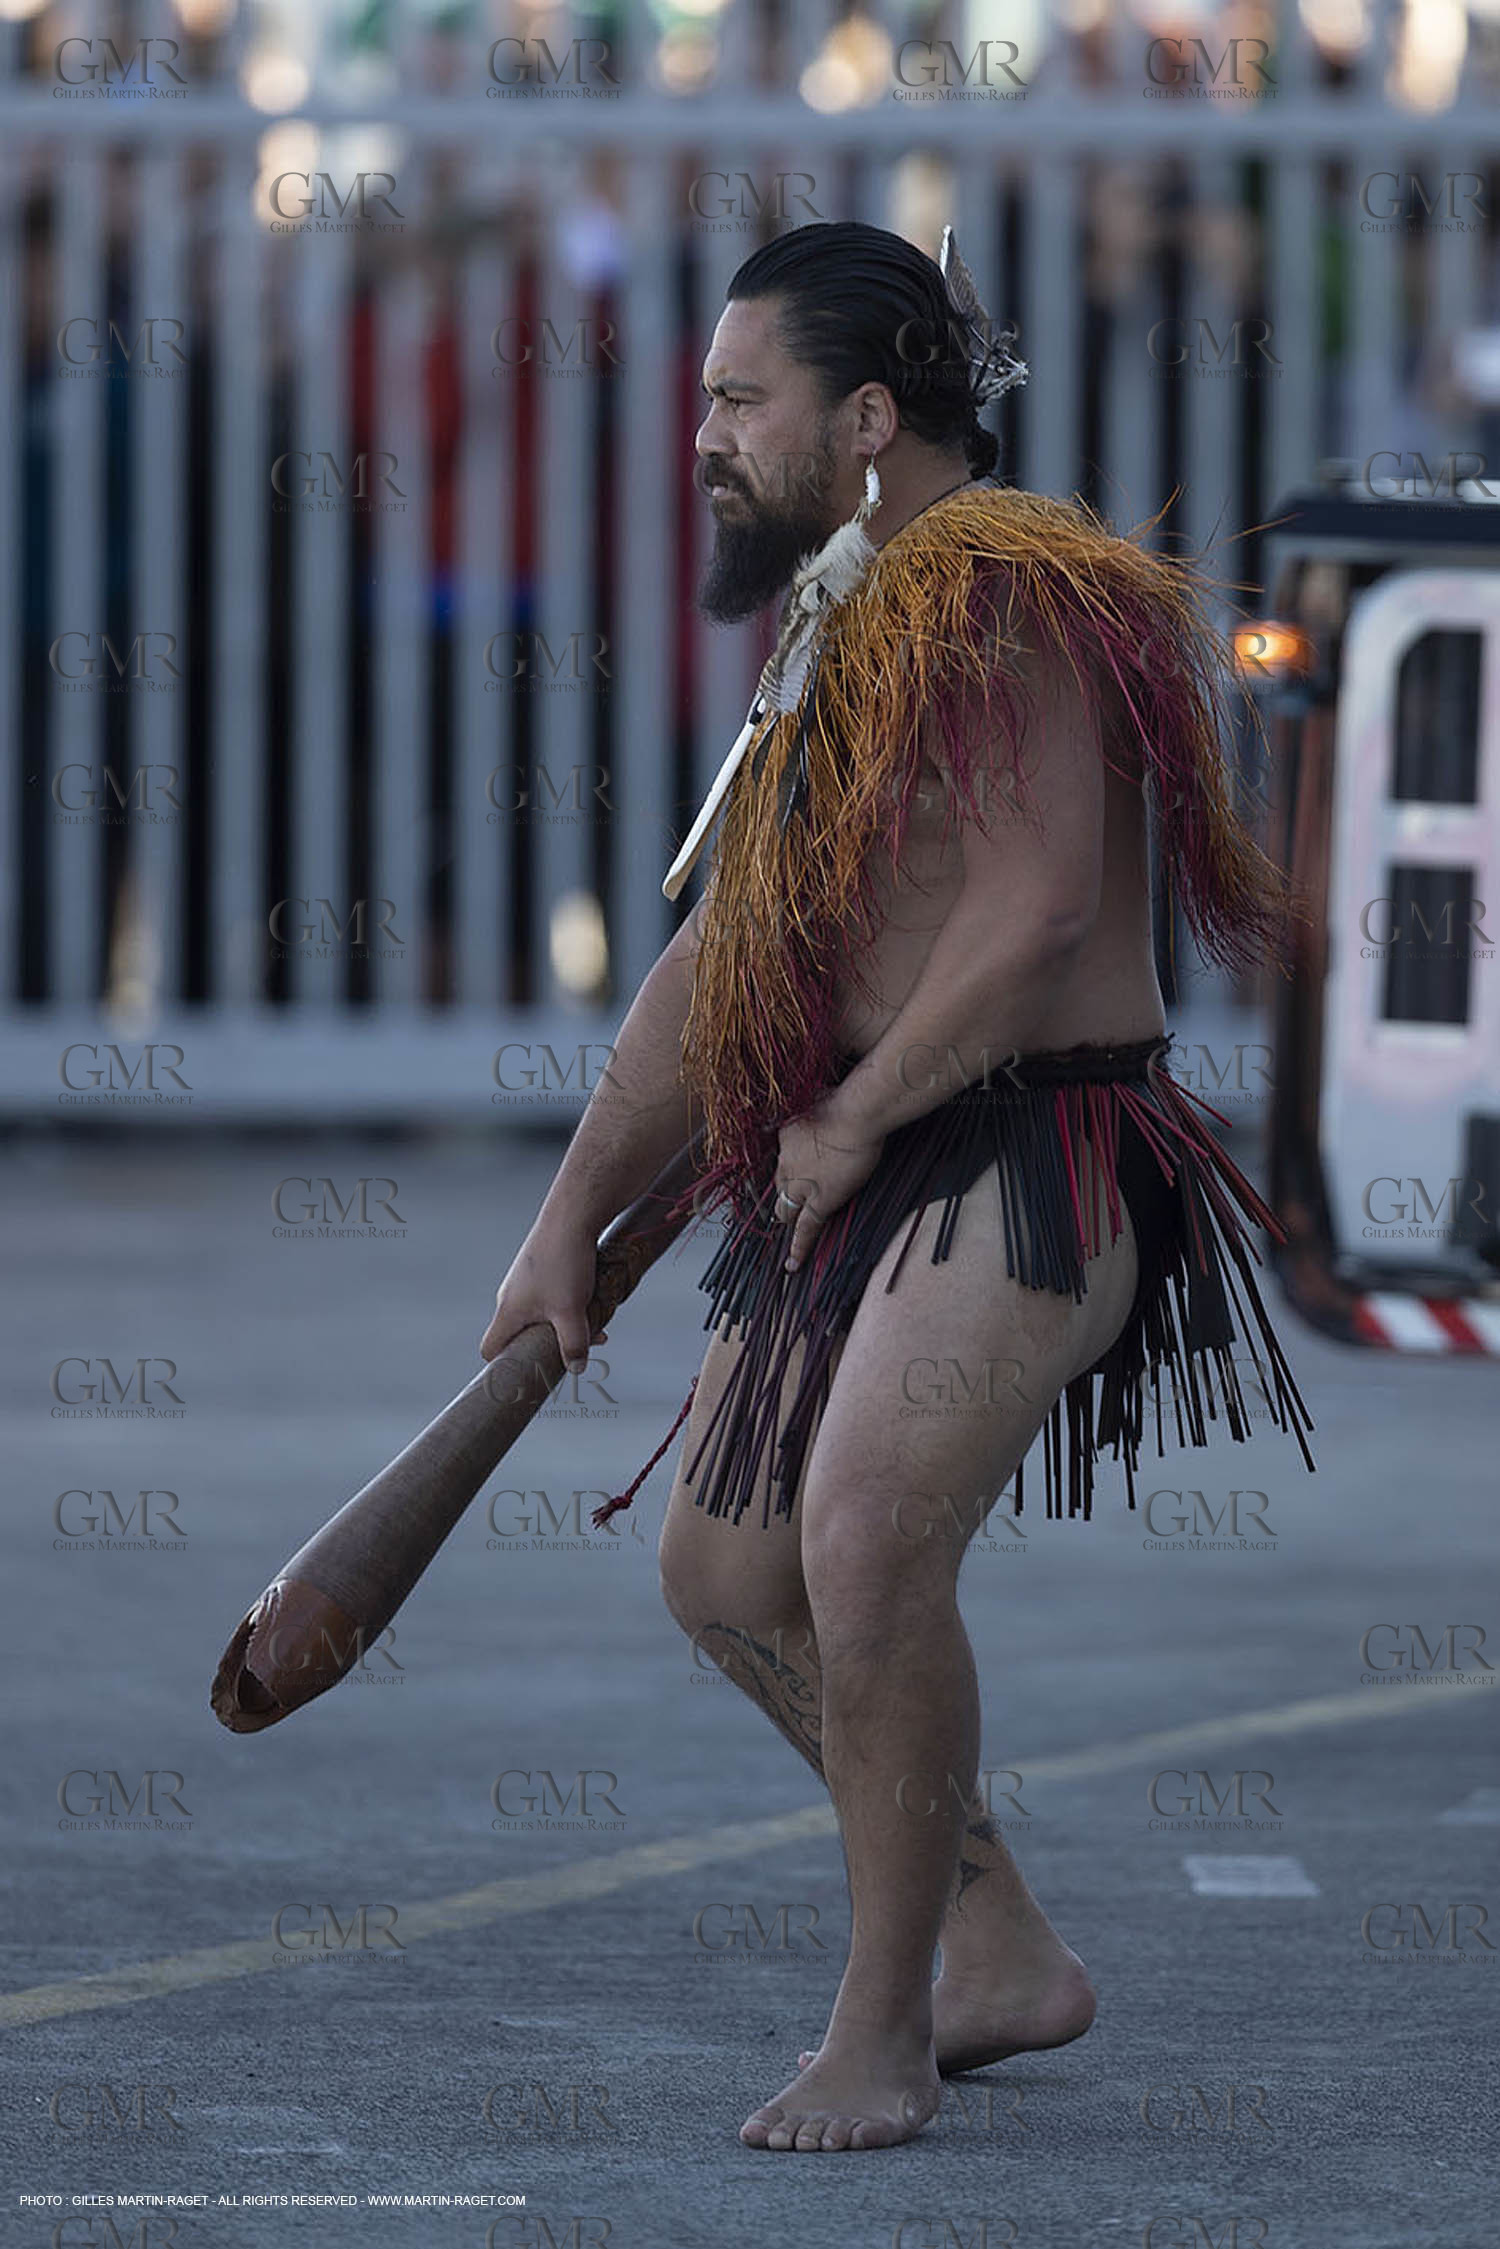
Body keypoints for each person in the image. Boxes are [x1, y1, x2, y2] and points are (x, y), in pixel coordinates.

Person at [480, 220, 1312, 2154]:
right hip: (889, 1148)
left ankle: (886, 2031)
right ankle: (994, 1935)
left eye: (732, 397)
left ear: (863, 417)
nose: (700, 433)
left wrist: (856, 1123)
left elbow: (1032, 915)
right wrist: (564, 1216)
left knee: (856, 1540)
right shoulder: (842, 613)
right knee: (726, 1573)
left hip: (1038, 1141)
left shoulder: (1006, 587)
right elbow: (719, 962)